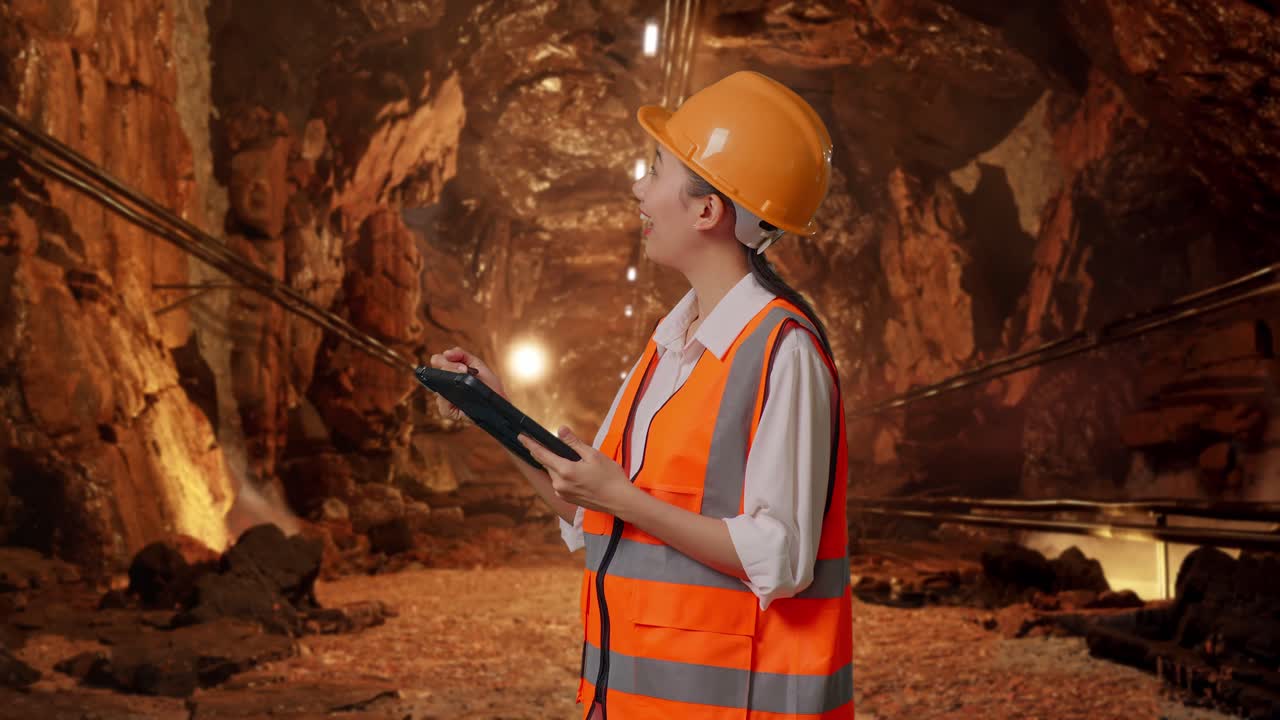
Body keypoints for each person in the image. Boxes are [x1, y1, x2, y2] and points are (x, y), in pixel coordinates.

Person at [430, 70, 852, 720]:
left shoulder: (782, 353)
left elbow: (780, 558)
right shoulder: (669, 348)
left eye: (654, 171)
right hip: (628, 699)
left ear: (708, 209)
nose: (637, 189)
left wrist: (620, 496)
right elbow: (591, 515)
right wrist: (495, 411)